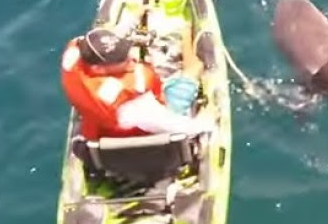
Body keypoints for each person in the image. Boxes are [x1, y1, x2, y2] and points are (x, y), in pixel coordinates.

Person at [60, 25, 214, 157]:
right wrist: (206, 121)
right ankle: (185, 32)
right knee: (194, 68)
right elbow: (180, 127)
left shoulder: (72, 58)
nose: (131, 58)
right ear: (99, 69)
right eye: (121, 60)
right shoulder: (132, 103)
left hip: (99, 129)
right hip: (142, 140)